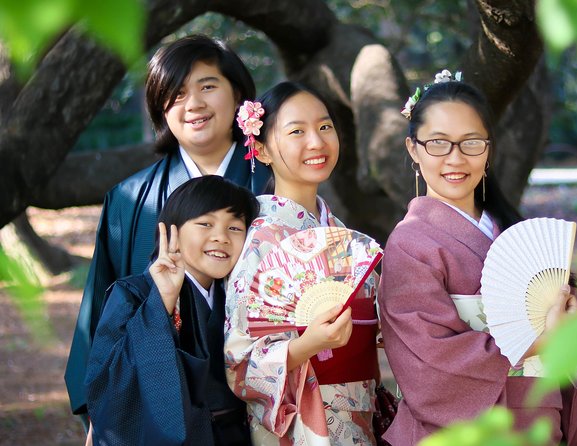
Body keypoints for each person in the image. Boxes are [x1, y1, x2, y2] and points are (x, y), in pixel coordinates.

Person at [378, 71, 577, 445]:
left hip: (540, 413)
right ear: (413, 149)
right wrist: (543, 340)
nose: (455, 158)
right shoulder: (409, 242)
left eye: (471, 143)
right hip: (465, 431)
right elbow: (431, 364)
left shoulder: (507, 228)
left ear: (488, 148)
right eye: (438, 143)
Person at [65, 35, 271, 422]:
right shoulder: (129, 201)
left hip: (271, 413)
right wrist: (98, 414)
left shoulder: (275, 187)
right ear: (161, 108)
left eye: (207, 86)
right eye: (175, 94)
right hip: (165, 418)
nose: (193, 104)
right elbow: (99, 320)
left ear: (239, 93)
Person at [224, 82, 380, 445]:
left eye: (325, 127)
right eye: (297, 131)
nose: (317, 142)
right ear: (261, 150)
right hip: (303, 423)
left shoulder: (338, 233)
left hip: (359, 411)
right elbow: (239, 365)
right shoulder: (261, 241)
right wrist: (309, 344)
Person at [85, 176, 258, 445]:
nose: (221, 237)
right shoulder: (132, 294)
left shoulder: (242, 296)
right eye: (205, 224)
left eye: (235, 228)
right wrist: (162, 303)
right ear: (171, 231)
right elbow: (111, 382)